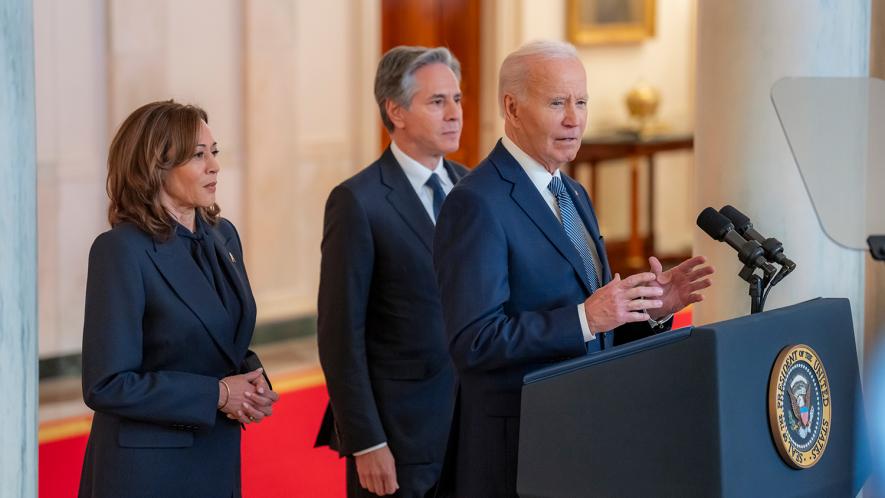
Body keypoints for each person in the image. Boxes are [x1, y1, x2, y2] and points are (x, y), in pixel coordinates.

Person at [433, 40, 715, 497]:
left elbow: (599, 325)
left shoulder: (574, 194)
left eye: (581, 102)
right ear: (512, 107)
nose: (574, 118)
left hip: (584, 431)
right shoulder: (475, 203)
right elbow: (474, 342)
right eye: (557, 102)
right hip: (517, 447)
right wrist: (585, 318)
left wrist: (651, 311)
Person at [79, 100, 279, 498]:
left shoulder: (223, 236)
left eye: (215, 152)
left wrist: (250, 379)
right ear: (155, 167)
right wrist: (219, 394)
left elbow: (219, 337)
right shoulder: (121, 250)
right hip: (149, 472)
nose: (214, 167)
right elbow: (106, 384)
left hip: (214, 456)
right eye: (198, 156)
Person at [314, 46, 468, 497]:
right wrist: (366, 442)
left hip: (470, 423)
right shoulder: (358, 202)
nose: (454, 113)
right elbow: (340, 336)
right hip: (400, 435)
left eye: (457, 99)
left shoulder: (470, 186)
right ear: (396, 111)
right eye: (437, 102)